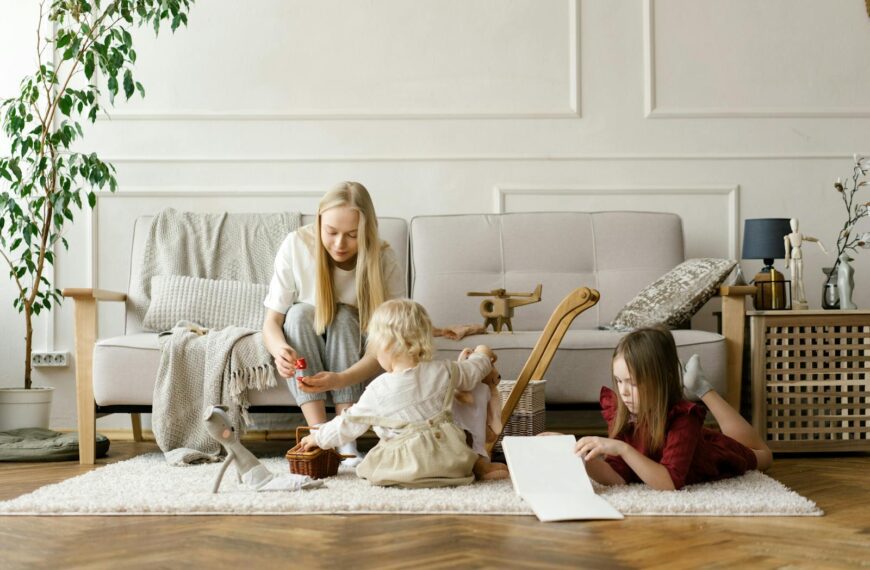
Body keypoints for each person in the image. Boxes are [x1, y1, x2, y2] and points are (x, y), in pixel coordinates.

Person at [262, 182, 405, 464]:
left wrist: (341, 378)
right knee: (300, 313)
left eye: (352, 235)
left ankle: (345, 441)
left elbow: (387, 341)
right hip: (306, 335)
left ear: (367, 231)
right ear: (318, 222)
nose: (340, 244)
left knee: (342, 316)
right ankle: (319, 436)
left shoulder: (383, 257)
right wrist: (280, 351)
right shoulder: (296, 245)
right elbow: (271, 322)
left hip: (355, 342)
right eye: (331, 232)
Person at [299, 299, 507, 485]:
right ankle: (478, 460)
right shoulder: (444, 370)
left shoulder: (378, 390)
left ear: (387, 346)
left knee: (376, 455)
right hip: (449, 462)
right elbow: (473, 372)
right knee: (474, 389)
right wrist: (482, 354)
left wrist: (317, 438)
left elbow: (348, 423)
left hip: (401, 470)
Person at [570, 327, 772, 491]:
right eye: (618, 381)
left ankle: (701, 387)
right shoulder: (621, 412)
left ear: (661, 380)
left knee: (762, 455)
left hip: (713, 454)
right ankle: (697, 384)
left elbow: (669, 483)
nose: (623, 392)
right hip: (687, 440)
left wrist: (622, 449)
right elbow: (618, 477)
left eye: (632, 383)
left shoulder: (684, 418)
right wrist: (577, 456)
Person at [784, 218, 827, 309]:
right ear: (791, 226)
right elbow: (787, 252)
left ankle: (802, 298)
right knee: (793, 279)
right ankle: (794, 298)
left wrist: (823, 249)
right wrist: (786, 261)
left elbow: (815, 240)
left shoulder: (801, 235)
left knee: (800, 278)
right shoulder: (788, 237)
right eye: (793, 224)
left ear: (798, 226)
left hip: (799, 258)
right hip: (793, 258)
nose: (795, 226)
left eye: (796, 224)